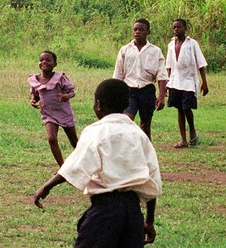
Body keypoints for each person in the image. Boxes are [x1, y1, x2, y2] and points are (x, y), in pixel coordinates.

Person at [33, 79, 162, 248]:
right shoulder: (139, 134)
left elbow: (75, 166)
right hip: (133, 213)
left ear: (98, 105)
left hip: (105, 210)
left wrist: (46, 187)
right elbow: (152, 179)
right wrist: (148, 221)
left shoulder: (95, 131)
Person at [113, 18, 168, 140]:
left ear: (148, 32)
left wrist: (161, 96)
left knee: (145, 124)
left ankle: (146, 152)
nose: (137, 32)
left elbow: (162, 75)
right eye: (135, 30)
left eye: (141, 30)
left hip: (147, 90)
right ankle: (128, 146)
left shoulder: (155, 51)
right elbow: (118, 75)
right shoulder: (125, 50)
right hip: (129, 90)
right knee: (127, 119)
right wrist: (116, 95)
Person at [28, 50, 78, 166]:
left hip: (64, 113)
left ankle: (86, 162)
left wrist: (67, 96)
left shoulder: (60, 78)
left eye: (48, 60)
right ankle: (62, 167)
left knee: (74, 141)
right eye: (41, 60)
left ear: (55, 64)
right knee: (51, 139)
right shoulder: (36, 80)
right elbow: (36, 94)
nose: (44, 62)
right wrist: (33, 100)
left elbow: (72, 92)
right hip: (48, 114)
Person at [166, 18, 209, 148]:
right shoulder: (171, 45)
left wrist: (204, 82)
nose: (176, 29)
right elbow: (169, 65)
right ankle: (183, 139)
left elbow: (201, 64)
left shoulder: (192, 44)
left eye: (178, 27)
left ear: (185, 28)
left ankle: (192, 130)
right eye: (174, 27)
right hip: (175, 80)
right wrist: (168, 83)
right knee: (179, 109)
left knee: (186, 107)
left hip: (189, 80)